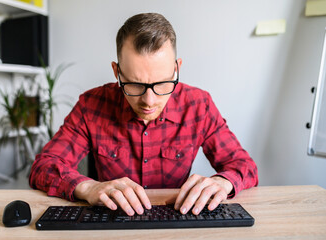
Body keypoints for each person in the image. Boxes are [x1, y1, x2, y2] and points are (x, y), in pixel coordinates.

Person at [29, 12, 258, 216]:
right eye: (135, 85)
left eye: (162, 83)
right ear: (117, 71)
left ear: (177, 68)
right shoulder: (92, 105)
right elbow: (44, 167)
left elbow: (244, 166)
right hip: (111, 222)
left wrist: (222, 182)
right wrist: (88, 187)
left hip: (177, 222)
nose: (149, 101)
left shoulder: (199, 105)